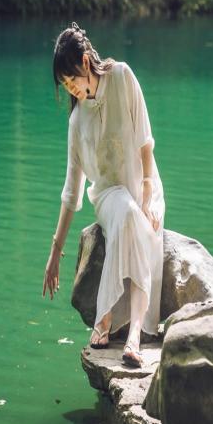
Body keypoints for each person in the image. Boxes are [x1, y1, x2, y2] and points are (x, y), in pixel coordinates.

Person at [42, 22, 165, 368]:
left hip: (144, 183)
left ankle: (135, 334)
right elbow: (71, 194)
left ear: (85, 61)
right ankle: (106, 315)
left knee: (143, 226)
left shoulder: (123, 77)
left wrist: (148, 196)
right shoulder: (77, 121)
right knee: (126, 214)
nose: (72, 89)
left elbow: (145, 141)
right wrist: (56, 252)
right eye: (65, 86)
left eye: (72, 80)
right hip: (110, 195)